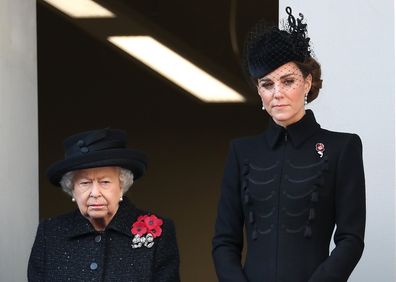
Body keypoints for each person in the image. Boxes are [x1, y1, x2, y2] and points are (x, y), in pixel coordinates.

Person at [212, 7, 365, 282]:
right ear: (259, 91)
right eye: (267, 84)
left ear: (307, 83)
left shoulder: (342, 148)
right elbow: (224, 241)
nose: (277, 93)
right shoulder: (241, 152)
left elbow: (350, 239)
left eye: (288, 81)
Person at [28, 128, 180, 281]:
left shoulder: (159, 233)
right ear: (72, 189)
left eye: (105, 182)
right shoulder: (50, 232)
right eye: (85, 183)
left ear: (122, 185)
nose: (95, 193)